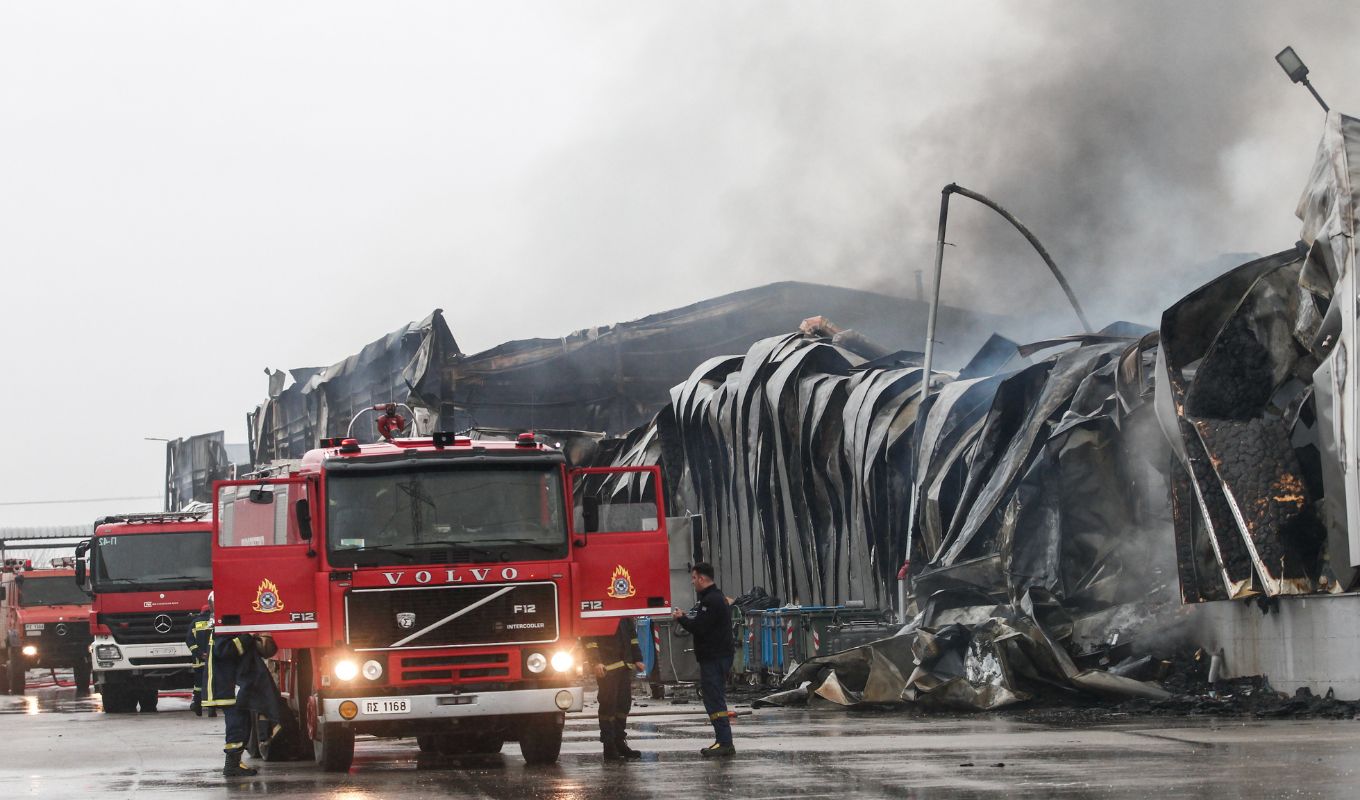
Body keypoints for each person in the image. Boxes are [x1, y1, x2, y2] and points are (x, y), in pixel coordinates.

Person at [672, 562, 736, 757]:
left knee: (714, 699)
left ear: (701, 578)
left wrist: (681, 619)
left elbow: (700, 627)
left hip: (714, 658)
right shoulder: (714, 598)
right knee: (713, 698)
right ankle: (722, 740)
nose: (692, 582)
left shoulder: (711, 600)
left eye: (693, 578)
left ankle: (724, 742)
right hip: (716, 657)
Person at [581, 617, 646, 761]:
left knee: (623, 704)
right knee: (608, 705)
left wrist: (637, 658)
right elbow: (589, 639)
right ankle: (609, 746)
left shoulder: (624, 615)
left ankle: (619, 742)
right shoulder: (596, 611)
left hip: (624, 665)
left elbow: (632, 638)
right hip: (607, 668)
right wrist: (595, 662)